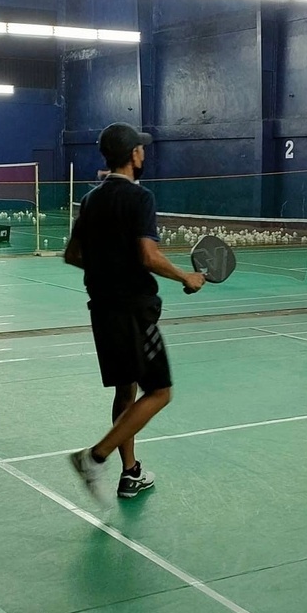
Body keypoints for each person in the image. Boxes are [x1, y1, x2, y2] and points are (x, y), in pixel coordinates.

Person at [64, 123, 205, 502]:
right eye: (140, 149)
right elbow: (148, 255)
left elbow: (72, 255)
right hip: (133, 310)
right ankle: (95, 457)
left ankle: (131, 473)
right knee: (160, 392)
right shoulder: (139, 198)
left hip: (102, 308)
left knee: (126, 389)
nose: (144, 153)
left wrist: (107, 270)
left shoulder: (92, 200)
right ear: (134, 155)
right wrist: (184, 278)